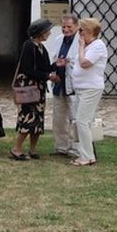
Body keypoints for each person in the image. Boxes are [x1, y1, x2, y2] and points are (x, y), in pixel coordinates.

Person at [9, 19, 53, 161]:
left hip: (38, 89)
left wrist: (56, 66)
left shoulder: (41, 47)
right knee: (28, 118)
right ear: (40, 33)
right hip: (29, 89)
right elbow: (27, 69)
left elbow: (45, 67)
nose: (49, 33)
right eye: (47, 31)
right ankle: (16, 148)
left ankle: (33, 148)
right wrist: (47, 76)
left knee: (38, 120)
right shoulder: (28, 46)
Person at [72, 17, 107, 167]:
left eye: (81, 30)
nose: (79, 33)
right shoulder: (88, 45)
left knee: (82, 121)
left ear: (90, 31)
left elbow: (85, 63)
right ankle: (86, 154)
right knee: (81, 121)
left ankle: (86, 156)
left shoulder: (98, 45)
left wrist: (80, 47)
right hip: (81, 87)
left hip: (91, 88)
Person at [46, 13, 80, 157]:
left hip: (73, 85)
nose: (66, 30)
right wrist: (56, 65)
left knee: (75, 118)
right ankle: (61, 147)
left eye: (69, 27)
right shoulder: (58, 39)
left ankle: (77, 148)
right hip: (59, 83)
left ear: (76, 26)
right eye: (63, 27)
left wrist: (69, 61)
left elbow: (82, 61)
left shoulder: (81, 40)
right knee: (59, 118)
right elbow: (53, 58)